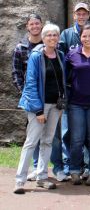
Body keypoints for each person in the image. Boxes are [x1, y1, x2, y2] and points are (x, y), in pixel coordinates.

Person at [14, 23, 66, 194]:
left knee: (48, 141)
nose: (52, 38)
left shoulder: (60, 55)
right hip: (39, 106)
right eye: (49, 35)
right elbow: (30, 84)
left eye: (55, 35)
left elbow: (62, 81)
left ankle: (42, 177)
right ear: (43, 38)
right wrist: (38, 110)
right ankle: (20, 180)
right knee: (31, 142)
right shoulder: (36, 56)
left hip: (55, 106)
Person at [53, 2, 90, 182]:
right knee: (68, 131)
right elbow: (60, 61)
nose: (81, 16)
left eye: (84, 13)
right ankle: (68, 164)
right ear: (74, 15)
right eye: (78, 13)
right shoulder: (66, 34)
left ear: (88, 15)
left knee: (87, 133)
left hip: (89, 92)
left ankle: (85, 165)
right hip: (70, 90)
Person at [66, 24, 90, 186]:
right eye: (84, 36)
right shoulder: (72, 55)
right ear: (80, 38)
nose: (87, 39)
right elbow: (65, 77)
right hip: (76, 104)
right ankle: (75, 170)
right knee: (76, 139)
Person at [11, 14, 43, 181]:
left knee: (51, 136)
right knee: (34, 135)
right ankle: (35, 167)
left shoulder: (48, 45)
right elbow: (16, 73)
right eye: (32, 24)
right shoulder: (20, 48)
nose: (35, 26)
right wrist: (25, 93)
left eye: (37, 23)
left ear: (41, 25)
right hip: (31, 99)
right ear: (27, 26)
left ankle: (47, 168)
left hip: (49, 97)